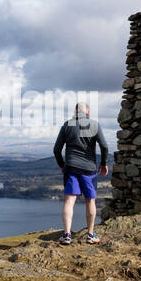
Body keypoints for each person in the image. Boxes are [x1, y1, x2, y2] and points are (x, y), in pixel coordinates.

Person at [53, 102, 110, 246]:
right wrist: (103, 164)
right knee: (90, 201)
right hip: (89, 169)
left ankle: (66, 235)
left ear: (75, 112)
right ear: (88, 112)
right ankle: (90, 235)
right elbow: (104, 146)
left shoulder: (67, 125)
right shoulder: (94, 125)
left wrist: (62, 166)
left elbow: (56, 149)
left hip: (71, 167)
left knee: (69, 201)